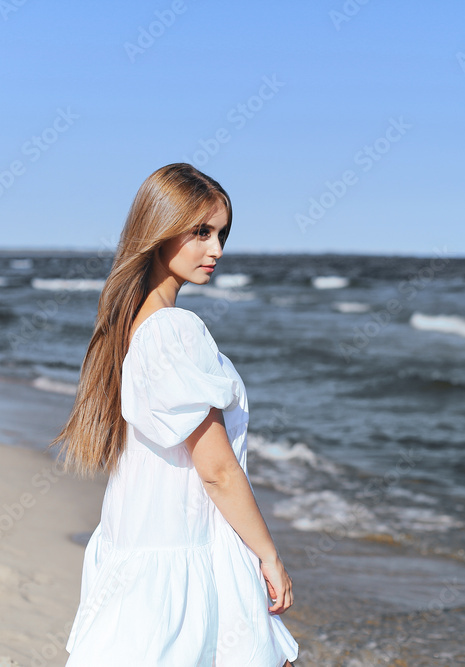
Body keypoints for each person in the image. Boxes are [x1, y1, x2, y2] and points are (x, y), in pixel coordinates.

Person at [51, 163, 299, 666]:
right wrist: (269, 556)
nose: (217, 250)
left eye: (222, 234)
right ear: (160, 231)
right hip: (180, 552)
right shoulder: (173, 330)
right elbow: (217, 469)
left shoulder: (132, 326)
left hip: (142, 549)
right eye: (202, 232)